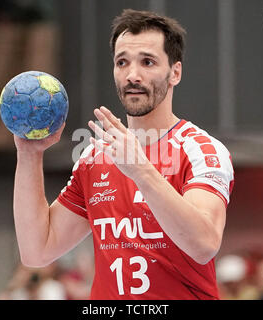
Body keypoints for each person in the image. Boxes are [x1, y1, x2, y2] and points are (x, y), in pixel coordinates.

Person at [13, 9, 234, 299]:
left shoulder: (200, 149)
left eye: (148, 62)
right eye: (122, 62)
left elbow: (204, 244)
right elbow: (37, 250)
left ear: (175, 72)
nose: (132, 75)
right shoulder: (95, 157)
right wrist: (29, 156)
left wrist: (141, 171)